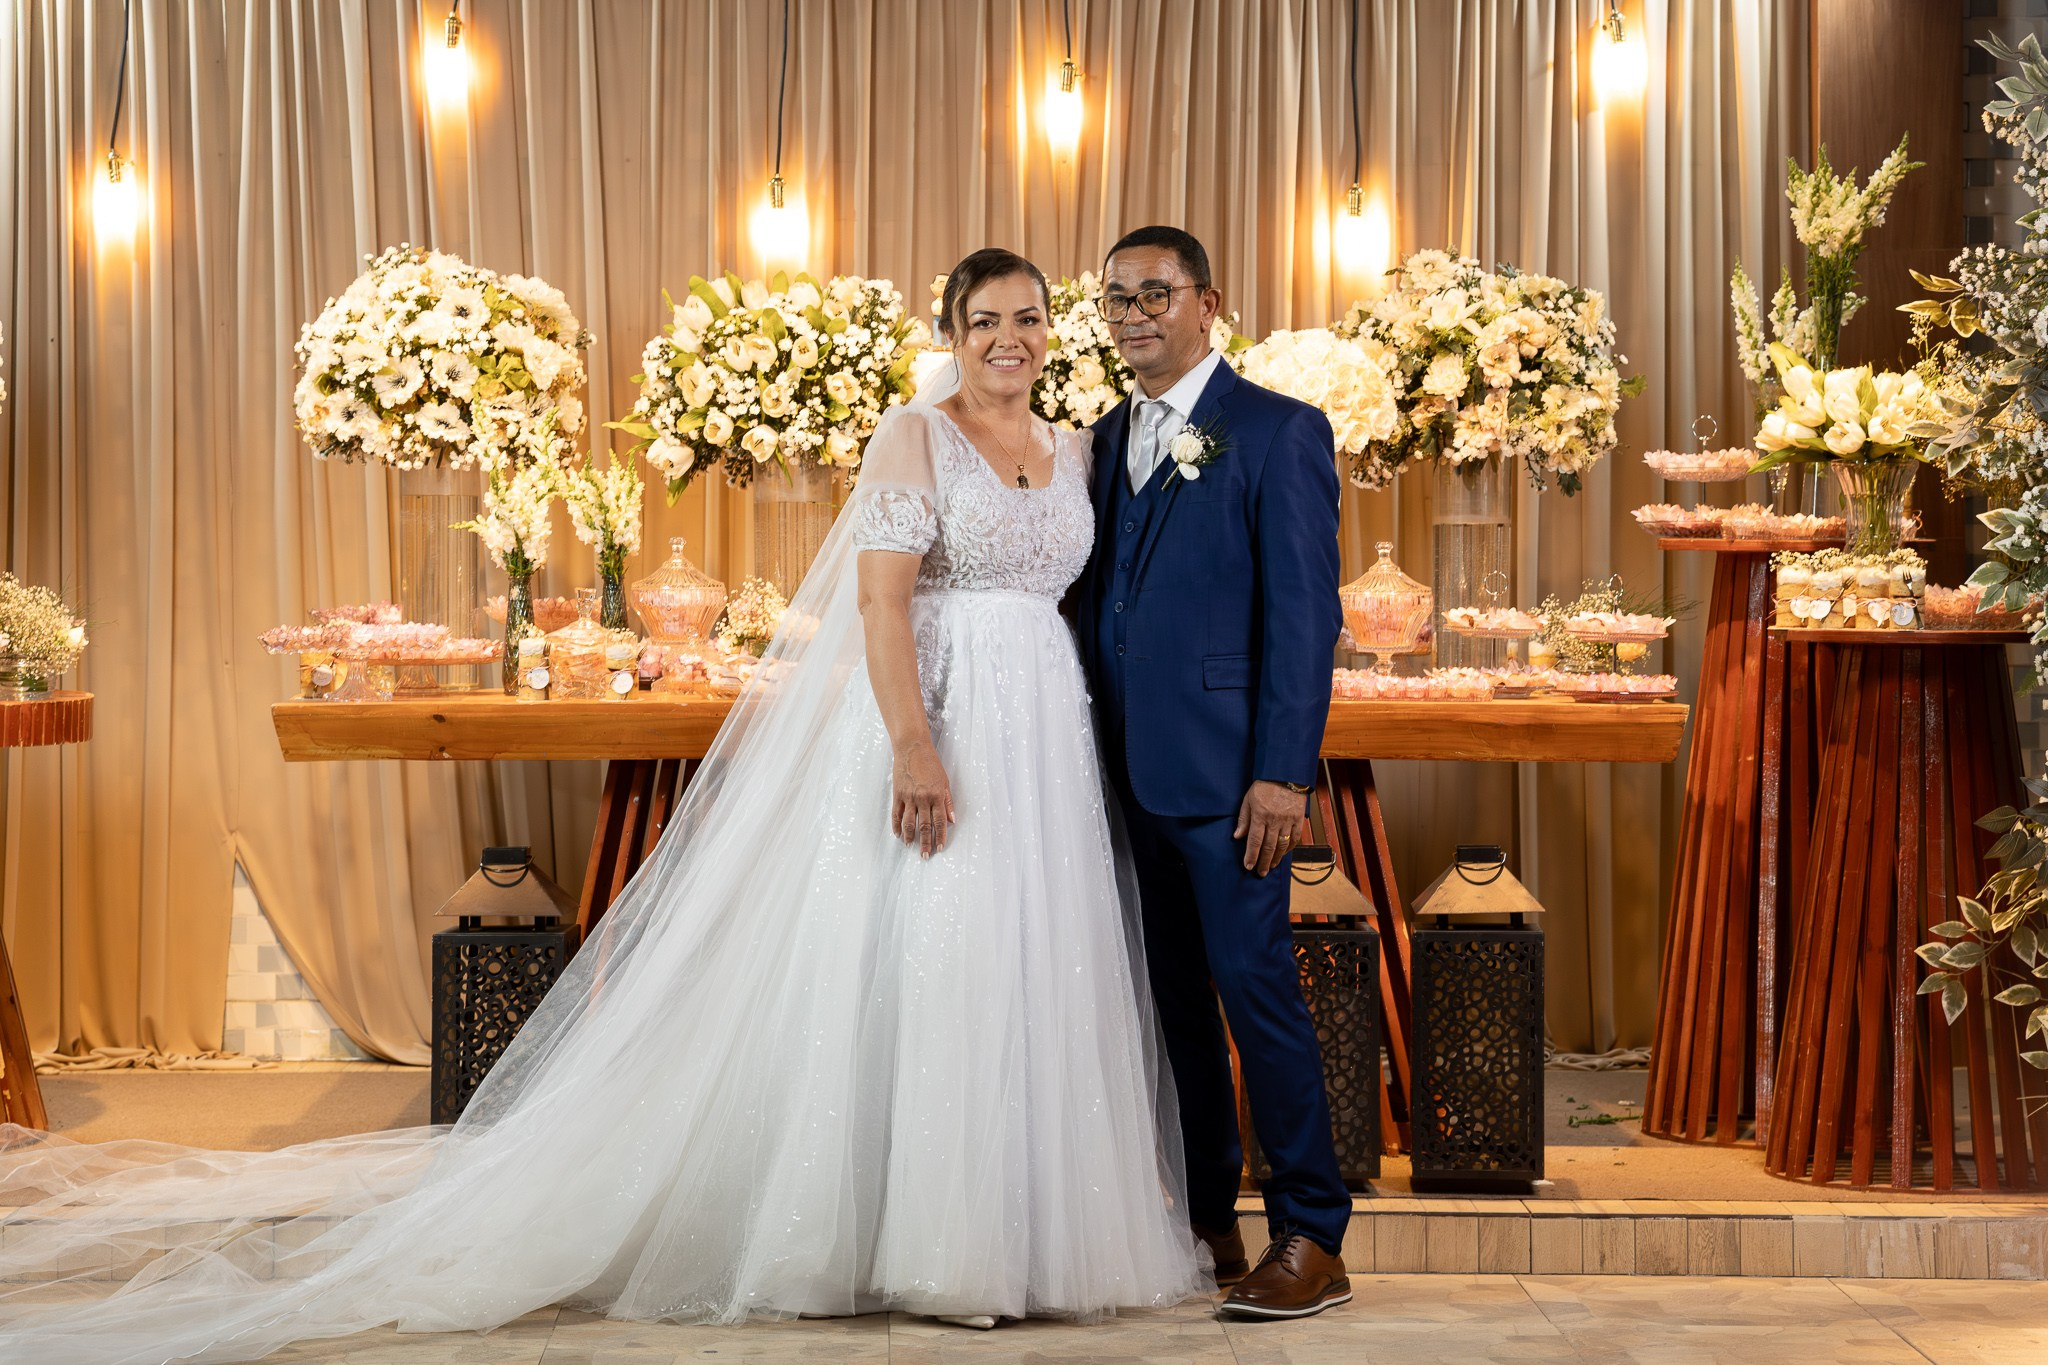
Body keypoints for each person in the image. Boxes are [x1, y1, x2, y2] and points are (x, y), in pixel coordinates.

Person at [0, 247, 1205, 1362]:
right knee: (936, 965)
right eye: (983, 319)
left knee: (1025, 971)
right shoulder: (913, 436)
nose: (1009, 337)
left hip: (1043, 737)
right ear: (948, 332)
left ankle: (1036, 1235)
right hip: (936, 718)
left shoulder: (1078, 449)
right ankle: (939, 1245)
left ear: (1056, 333)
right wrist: (911, 748)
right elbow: (884, 607)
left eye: (1029, 317)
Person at [1073, 225, 1353, 1320]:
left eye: (1154, 292)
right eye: (1113, 299)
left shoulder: (1278, 432)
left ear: (1207, 301)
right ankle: (1206, 1217)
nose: (1132, 313)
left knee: (1257, 996)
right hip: (1120, 776)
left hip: (1236, 781)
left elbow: (1303, 616)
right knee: (1171, 1008)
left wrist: (1283, 773)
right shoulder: (1098, 443)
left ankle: (1310, 1234)